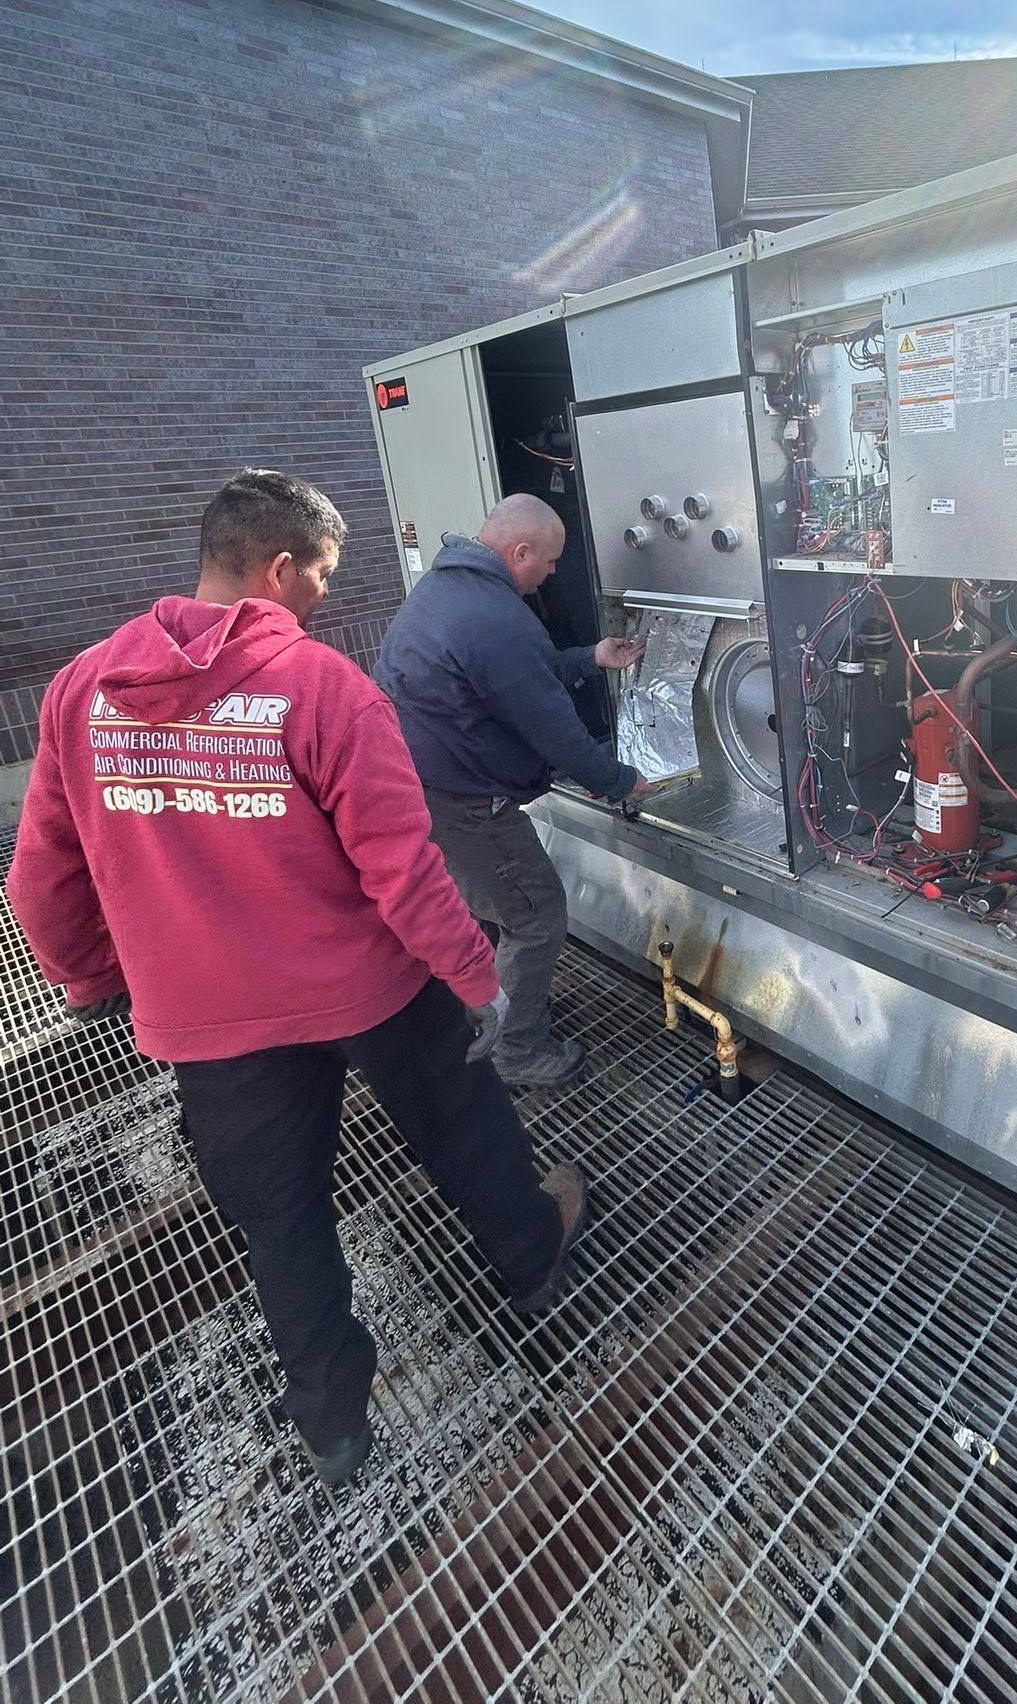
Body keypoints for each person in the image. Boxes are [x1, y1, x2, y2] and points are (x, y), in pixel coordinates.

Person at [5, 469, 589, 1488]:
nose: (321, 595)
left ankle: (333, 1422)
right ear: (279, 567)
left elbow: (39, 878)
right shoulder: (324, 688)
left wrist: (91, 980)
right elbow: (401, 869)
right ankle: (533, 1257)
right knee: (466, 1124)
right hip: (367, 985)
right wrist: (476, 980)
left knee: (281, 1220)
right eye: (319, 575)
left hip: (206, 1018)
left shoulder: (78, 693)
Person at [373, 495, 652, 1089]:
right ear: (519, 552)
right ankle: (517, 1051)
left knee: (493, 912)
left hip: (423, 791)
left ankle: (493, 1009)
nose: (551, 574)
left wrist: (590, 658)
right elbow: (557, 732)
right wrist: (620, 781)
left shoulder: (447, 589)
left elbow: (516, 675)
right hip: (468, 806)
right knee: (536, 915)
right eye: (548, 563)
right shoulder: (495, 616)